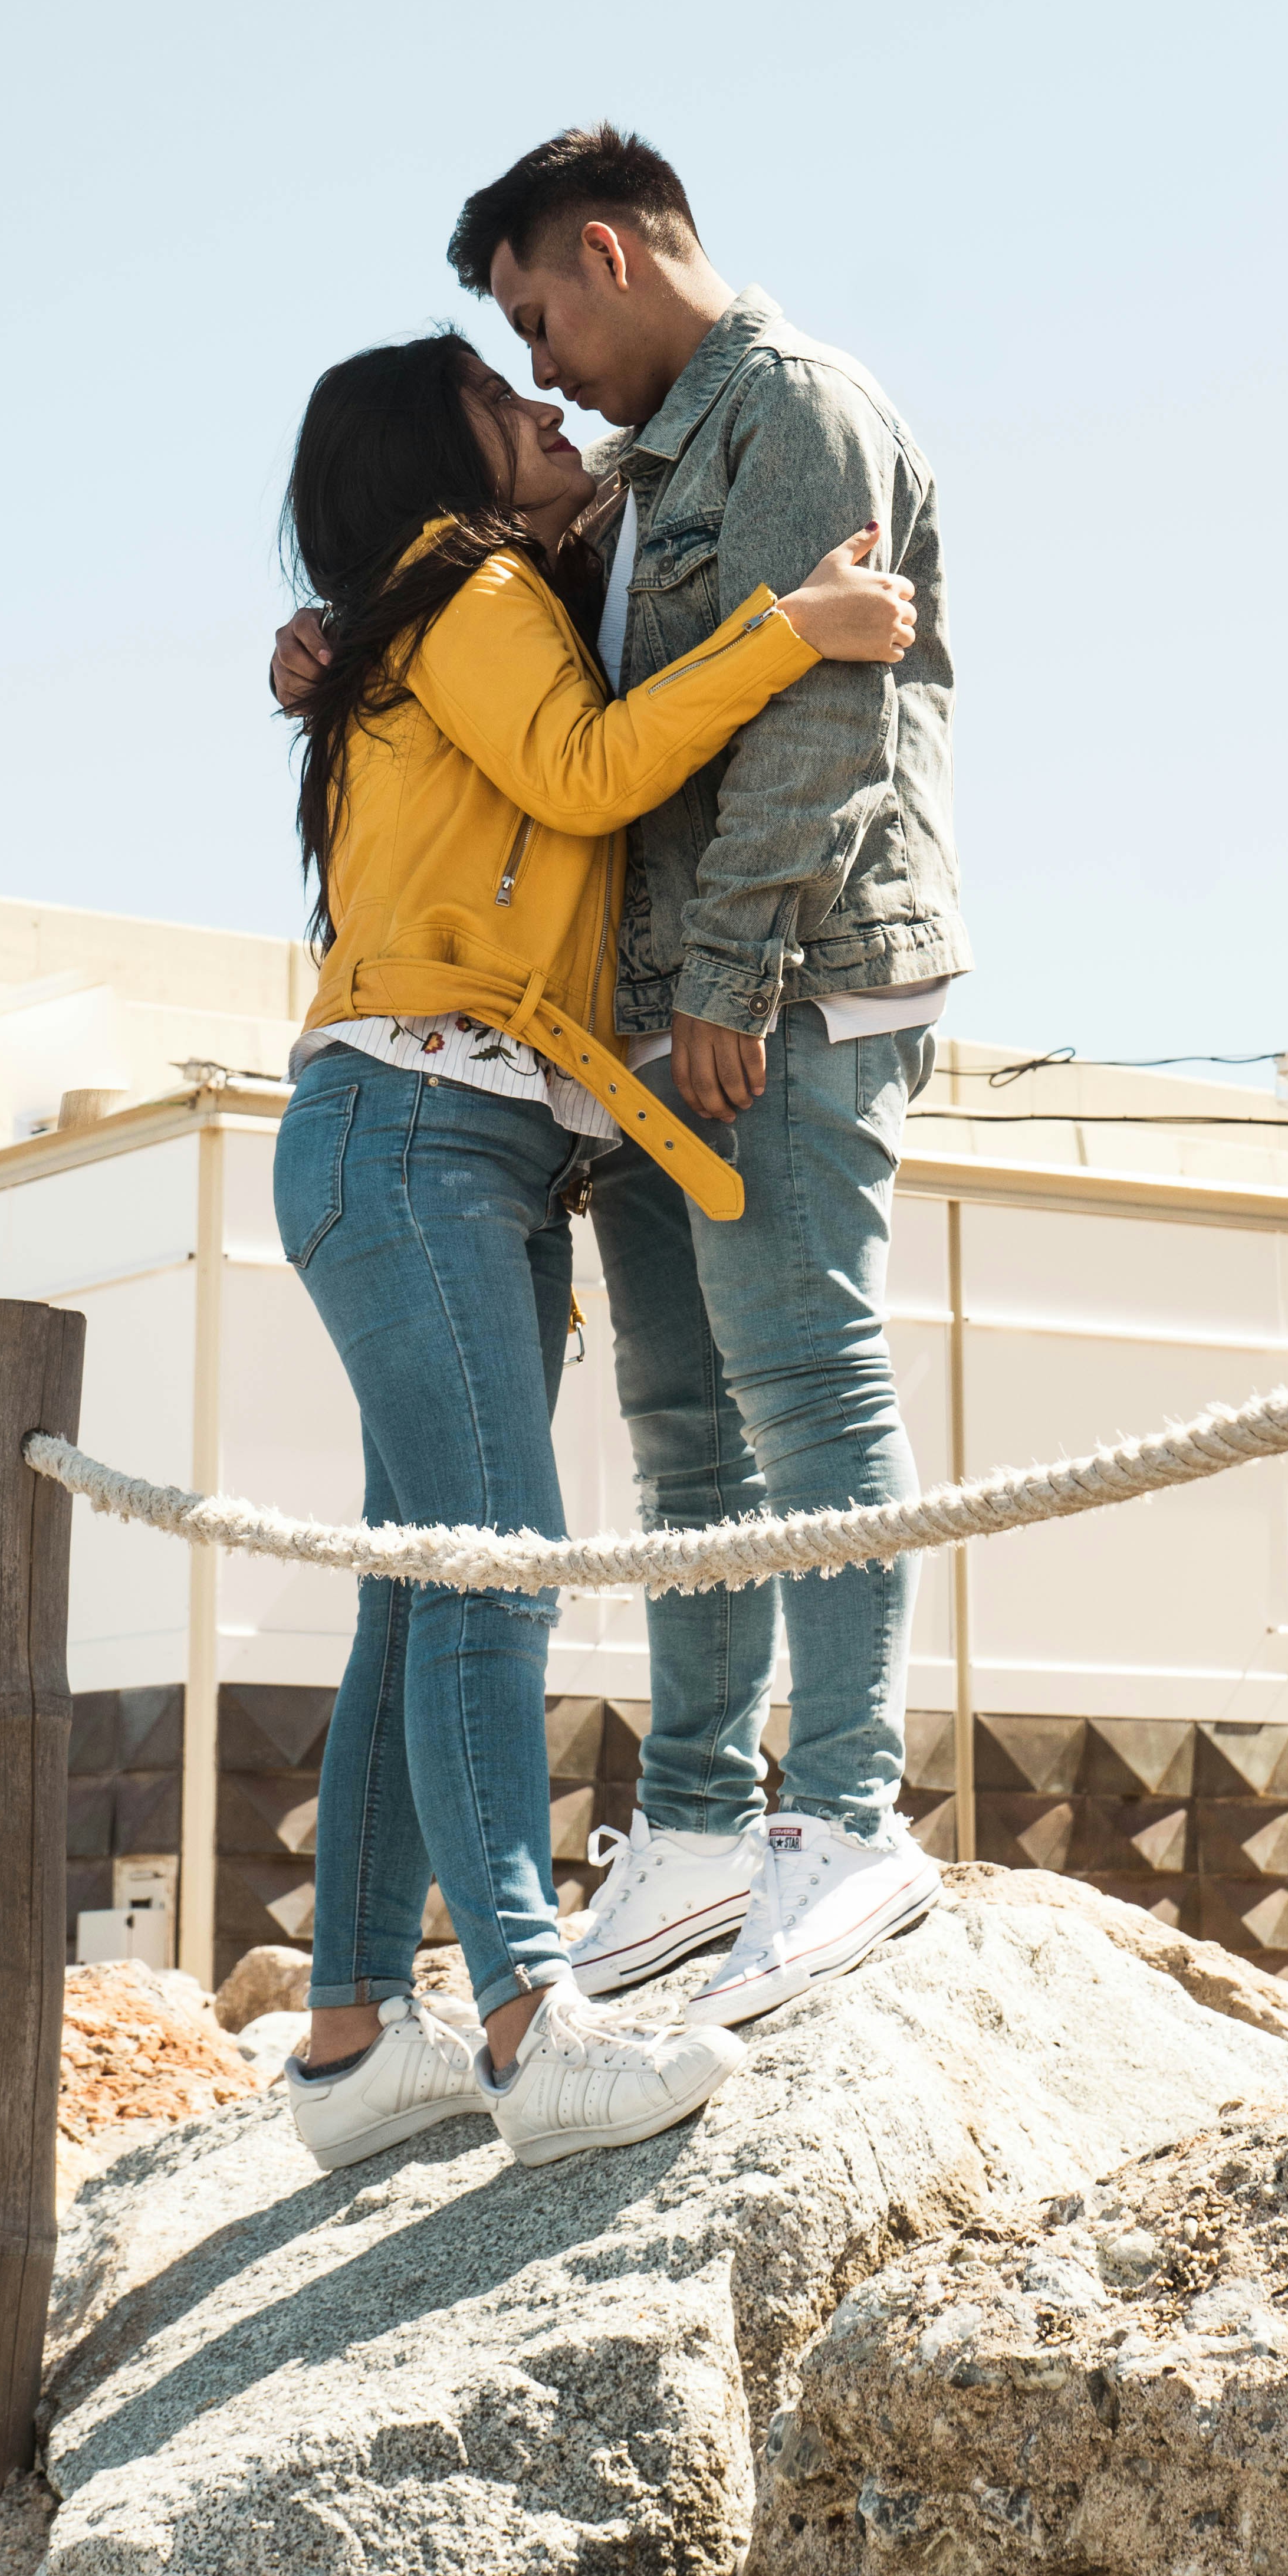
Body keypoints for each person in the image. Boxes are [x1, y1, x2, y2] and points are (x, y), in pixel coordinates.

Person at [275, 126, 968, 2029]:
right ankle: (688, 1826)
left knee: (807, 1390)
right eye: (508, 361)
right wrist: (336, 640)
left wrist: (734, 974)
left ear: (602, 250)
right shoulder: (620, 493)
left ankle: (838, 1819)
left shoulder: (795, 417)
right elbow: (517, 698)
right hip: (643, 1048)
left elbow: (830, 716)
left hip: (782, 996)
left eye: (535, 322)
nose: (541, 370)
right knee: (682, 1434)